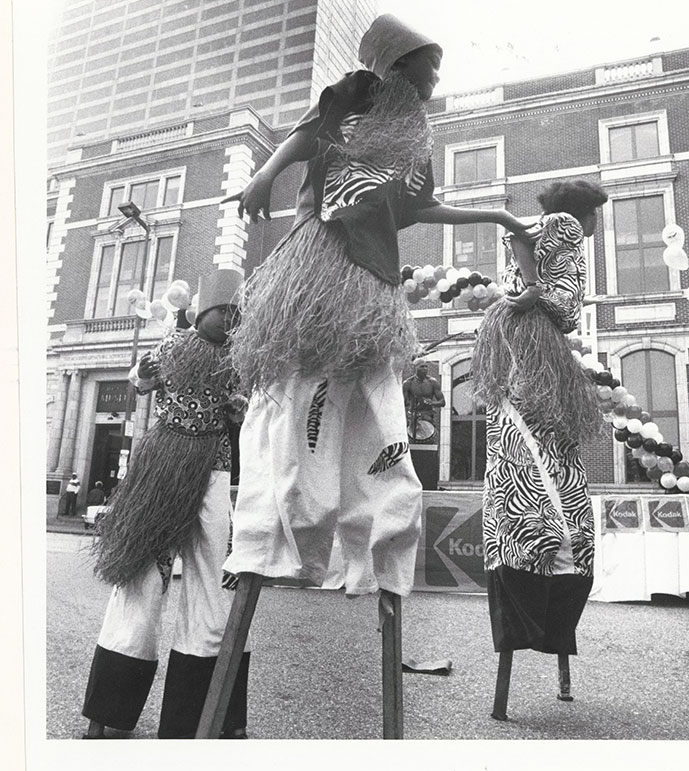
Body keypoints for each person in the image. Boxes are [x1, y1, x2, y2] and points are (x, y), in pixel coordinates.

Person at [223, 13, 535, 603]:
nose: (432, 84)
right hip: (323, 260)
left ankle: (363, 552)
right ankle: (282, 540)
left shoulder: (417, 136)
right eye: (426, 70)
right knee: (302, 400)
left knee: (369, 411)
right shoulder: (361, 90)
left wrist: (498, 215)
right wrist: (266, 173)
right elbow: (311, 130)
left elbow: (417, 208)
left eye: (437, 74)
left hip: (375, 276)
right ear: (394, 63)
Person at [82, 269, 252, 739]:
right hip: (161, 471)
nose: (231, 321)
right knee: (141, 578)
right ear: (201, 312)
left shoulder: (240, 358)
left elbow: (249, 408)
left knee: (215, 582)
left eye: (237, 314)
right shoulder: (173, 345)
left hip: (212, 473)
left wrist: (240, 412)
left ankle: (205, 716)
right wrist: (142, 373)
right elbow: (138, 380)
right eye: (224, 312)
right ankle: (105, 712)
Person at [472, 179, 608, 716]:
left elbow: (521, 255)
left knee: (517, 465)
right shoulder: (568, 227)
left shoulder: (536, 229)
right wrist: (541, 295)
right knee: (551, 466)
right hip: (535, 358)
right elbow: (566, 304)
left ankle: (527, 566)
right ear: (585, 212)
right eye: (598, 215)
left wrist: (529, 288)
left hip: (512, 355)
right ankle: (552, 569)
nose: (597, 226)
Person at [402, 359, 445, 441]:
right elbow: (403, 404)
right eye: (422, 367)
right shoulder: (408, 383)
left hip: (428, 417)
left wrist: (432, 403)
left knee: (430, 442)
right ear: (415, 368)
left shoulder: (432, 382)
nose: (425, 369)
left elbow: (442, 402)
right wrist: (410, 414)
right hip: (413, 419)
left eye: (426, 367)